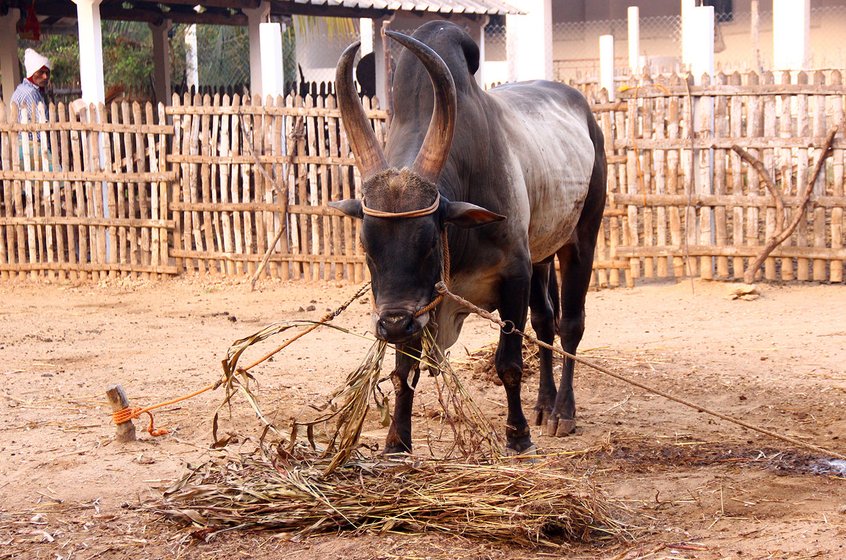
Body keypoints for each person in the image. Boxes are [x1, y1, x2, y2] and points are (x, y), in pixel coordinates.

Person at [11, 48, 51, 123]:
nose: (45, 77)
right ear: (31, 73)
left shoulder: (23, 88)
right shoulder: (30, 93)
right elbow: (41, 124)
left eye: (47, 73)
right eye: (41, 72)